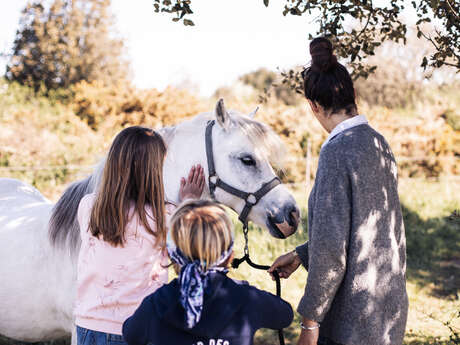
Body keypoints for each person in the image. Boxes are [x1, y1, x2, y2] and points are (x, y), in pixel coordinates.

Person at [269, 37, 408, 345]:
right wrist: (301, 255)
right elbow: (363, 230)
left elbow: (333, 250)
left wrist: (309, 324)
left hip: (352, 325)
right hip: (388, 315)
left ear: (314, 105)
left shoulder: (337, 152)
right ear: (352, 94)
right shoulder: (378, 143)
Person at [74, 126, 205, 345]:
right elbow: (184, 260)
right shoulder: (167, 215)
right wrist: (188, 204)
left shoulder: (89, 206)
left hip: (89, 324)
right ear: (155, 169)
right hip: (141, 327)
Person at [122, 199, 293, 345]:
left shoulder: (156, 304)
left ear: (171, 254)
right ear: (229, 256)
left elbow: (130, 334)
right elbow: (285, 315)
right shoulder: (248, 299)